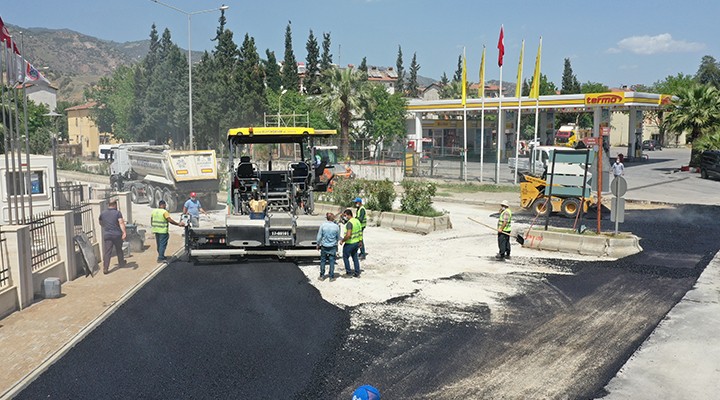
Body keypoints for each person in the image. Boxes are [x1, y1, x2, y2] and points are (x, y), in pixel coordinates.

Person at [98, 200, 127, 274]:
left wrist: (106, 226)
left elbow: (100, 222)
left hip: (107, 235)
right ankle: (121, 263)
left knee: (107, 252)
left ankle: (105, 268)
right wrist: (124, 232)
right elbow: (121, 222)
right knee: (119, 249)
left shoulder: (103, 213)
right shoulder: (117, 213)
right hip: (117, 235)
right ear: (114, 205)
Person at [316, 212, 340, 280]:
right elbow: (338, 237)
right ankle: (331, 277)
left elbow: (319, 236)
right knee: (332, 261)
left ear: (327, 218)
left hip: (324, 246)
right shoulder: (336, 226)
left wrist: (318, 244)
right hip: (332, 246)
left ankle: (322, 276)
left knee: (323, 261)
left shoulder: (323, 225)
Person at [340, 209, 363, 277]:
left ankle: (349, 272)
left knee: (345, 257)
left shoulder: (349, 223)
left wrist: (342, 241)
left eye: (345, 215)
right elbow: (360, 232)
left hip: (350, 243)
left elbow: (348, 235)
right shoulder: (357, 221)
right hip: (356, 243)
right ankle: (357, 272)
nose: (344, 217)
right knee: (355, 257)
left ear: (348, 215)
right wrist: (360, 241)